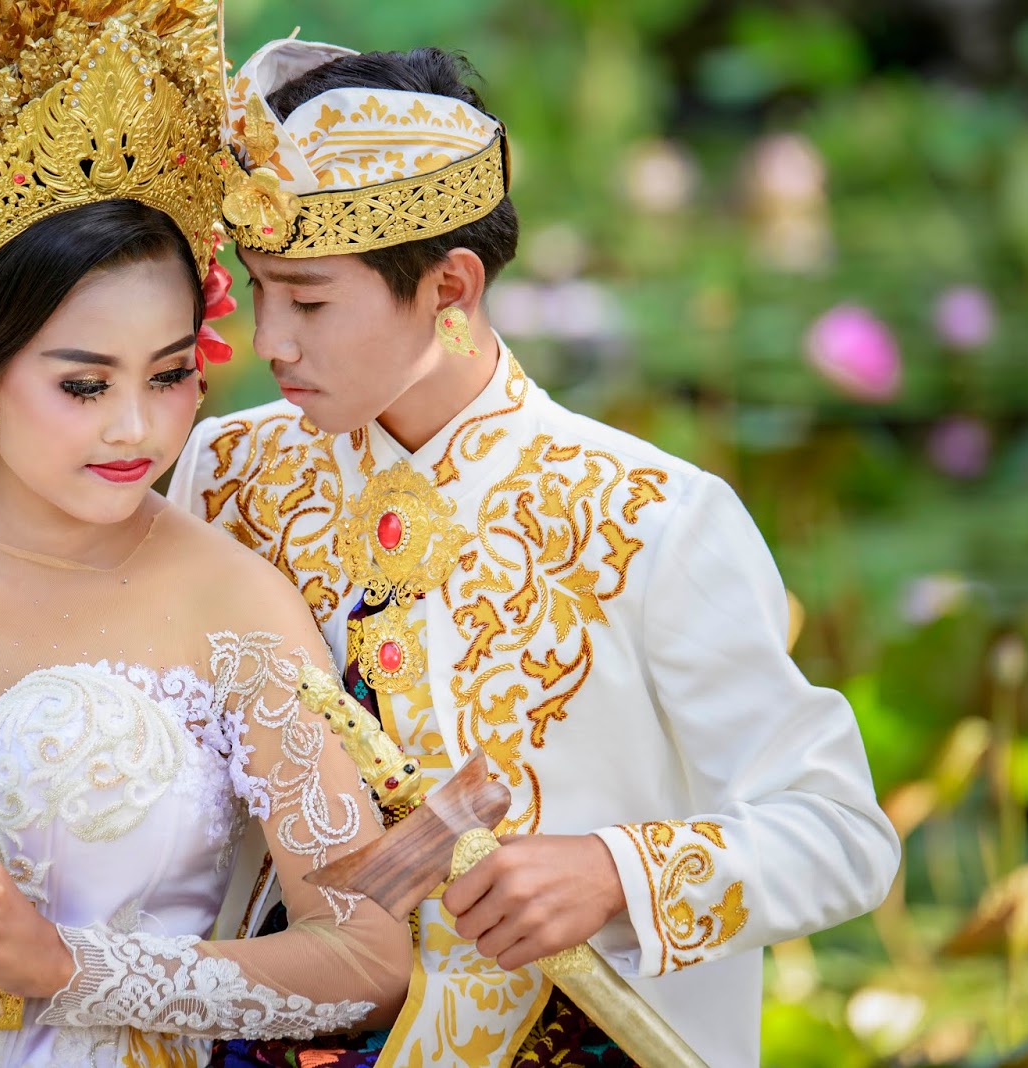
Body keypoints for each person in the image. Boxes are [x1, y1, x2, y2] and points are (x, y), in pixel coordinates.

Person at [169, 38, 901, 1068]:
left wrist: (615, 874)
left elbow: (840, 833)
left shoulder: (646, 514)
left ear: (450, 287)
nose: (271, 341)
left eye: (310, 299)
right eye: (257, 292)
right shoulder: (229, 468)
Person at [0, 5, 411, 1065]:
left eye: (167, 375)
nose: (136, 427)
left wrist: (67, 966)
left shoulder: (233, 607)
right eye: (82, 383)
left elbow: (368, 959)